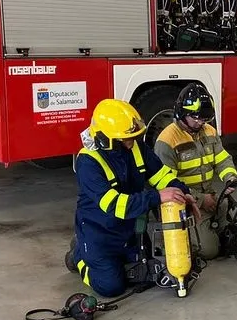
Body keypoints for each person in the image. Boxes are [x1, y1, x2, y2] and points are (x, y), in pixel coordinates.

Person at [68, 99, 199, 298]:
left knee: (146, 275)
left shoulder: (135, 147)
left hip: (129, 231)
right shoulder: (88, 162)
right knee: (111, 287)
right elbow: (114, 205)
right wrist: (157, 197)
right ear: (106, 140)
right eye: (127, 139)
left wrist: (183, 192)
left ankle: (107, 260)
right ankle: (79, 255)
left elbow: (161, 175)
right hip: (99, 233)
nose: (133, 143)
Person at [154, 82, 237, 259]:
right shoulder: (167, 141)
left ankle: (206, 231)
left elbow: (222, 159)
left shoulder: (209, 131)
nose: (201, 122)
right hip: (184, 204)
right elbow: (167, 184)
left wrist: (230, 177)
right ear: (182, 114)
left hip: (212, 198)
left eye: (204, 119)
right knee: (209, 251)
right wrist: (199, 200)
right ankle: (170, 238)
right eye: (196, 118)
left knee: (235, 238)